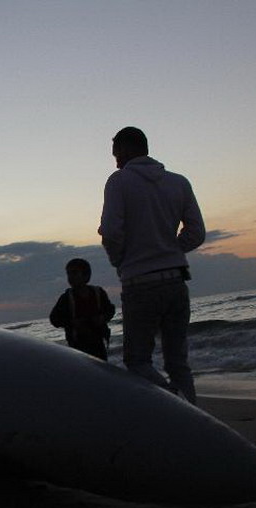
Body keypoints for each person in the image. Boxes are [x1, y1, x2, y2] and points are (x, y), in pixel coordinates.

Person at [98, 127, 206, 403]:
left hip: (139, 282)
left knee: (137, 361)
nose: (116, 162)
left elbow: (111, 231)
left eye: (116, 155)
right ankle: (194, 422)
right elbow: (196, 233)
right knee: (178, 362)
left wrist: (119, 259)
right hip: (176, 279)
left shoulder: (119, 182)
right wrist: (169, 249)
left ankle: (175, 402)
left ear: (123, 150)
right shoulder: (178, 182)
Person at [49, 258, 116, 360]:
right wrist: (72, 323)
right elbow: (54, 319)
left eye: (75, 273)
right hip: (77, 344)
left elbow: (110, 309)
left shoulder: (98, 293)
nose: (71, 277)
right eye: (69, 274)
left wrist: (102, 318)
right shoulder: (66, 297)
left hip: (98, 341)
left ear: (86, 275)